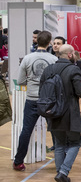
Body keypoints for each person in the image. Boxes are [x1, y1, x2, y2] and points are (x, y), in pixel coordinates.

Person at [40, 44, 81, 182]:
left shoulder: (48, 70)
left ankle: (61, 176)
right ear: (70, 55)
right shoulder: (73, 69)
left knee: (59, 145)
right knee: (75, 143)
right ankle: (63, 172)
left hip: (52, 113)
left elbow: (42, 90)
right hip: (70, 113)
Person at [13, 31, 57, 171]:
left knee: (26, 130)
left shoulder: (27, 58)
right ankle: (61, 161)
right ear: (50, 42)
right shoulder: (53, 59)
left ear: (36, 41)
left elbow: (20, 81)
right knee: (55, 129)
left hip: (32, 98)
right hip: (49, 99)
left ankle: (18, 161)